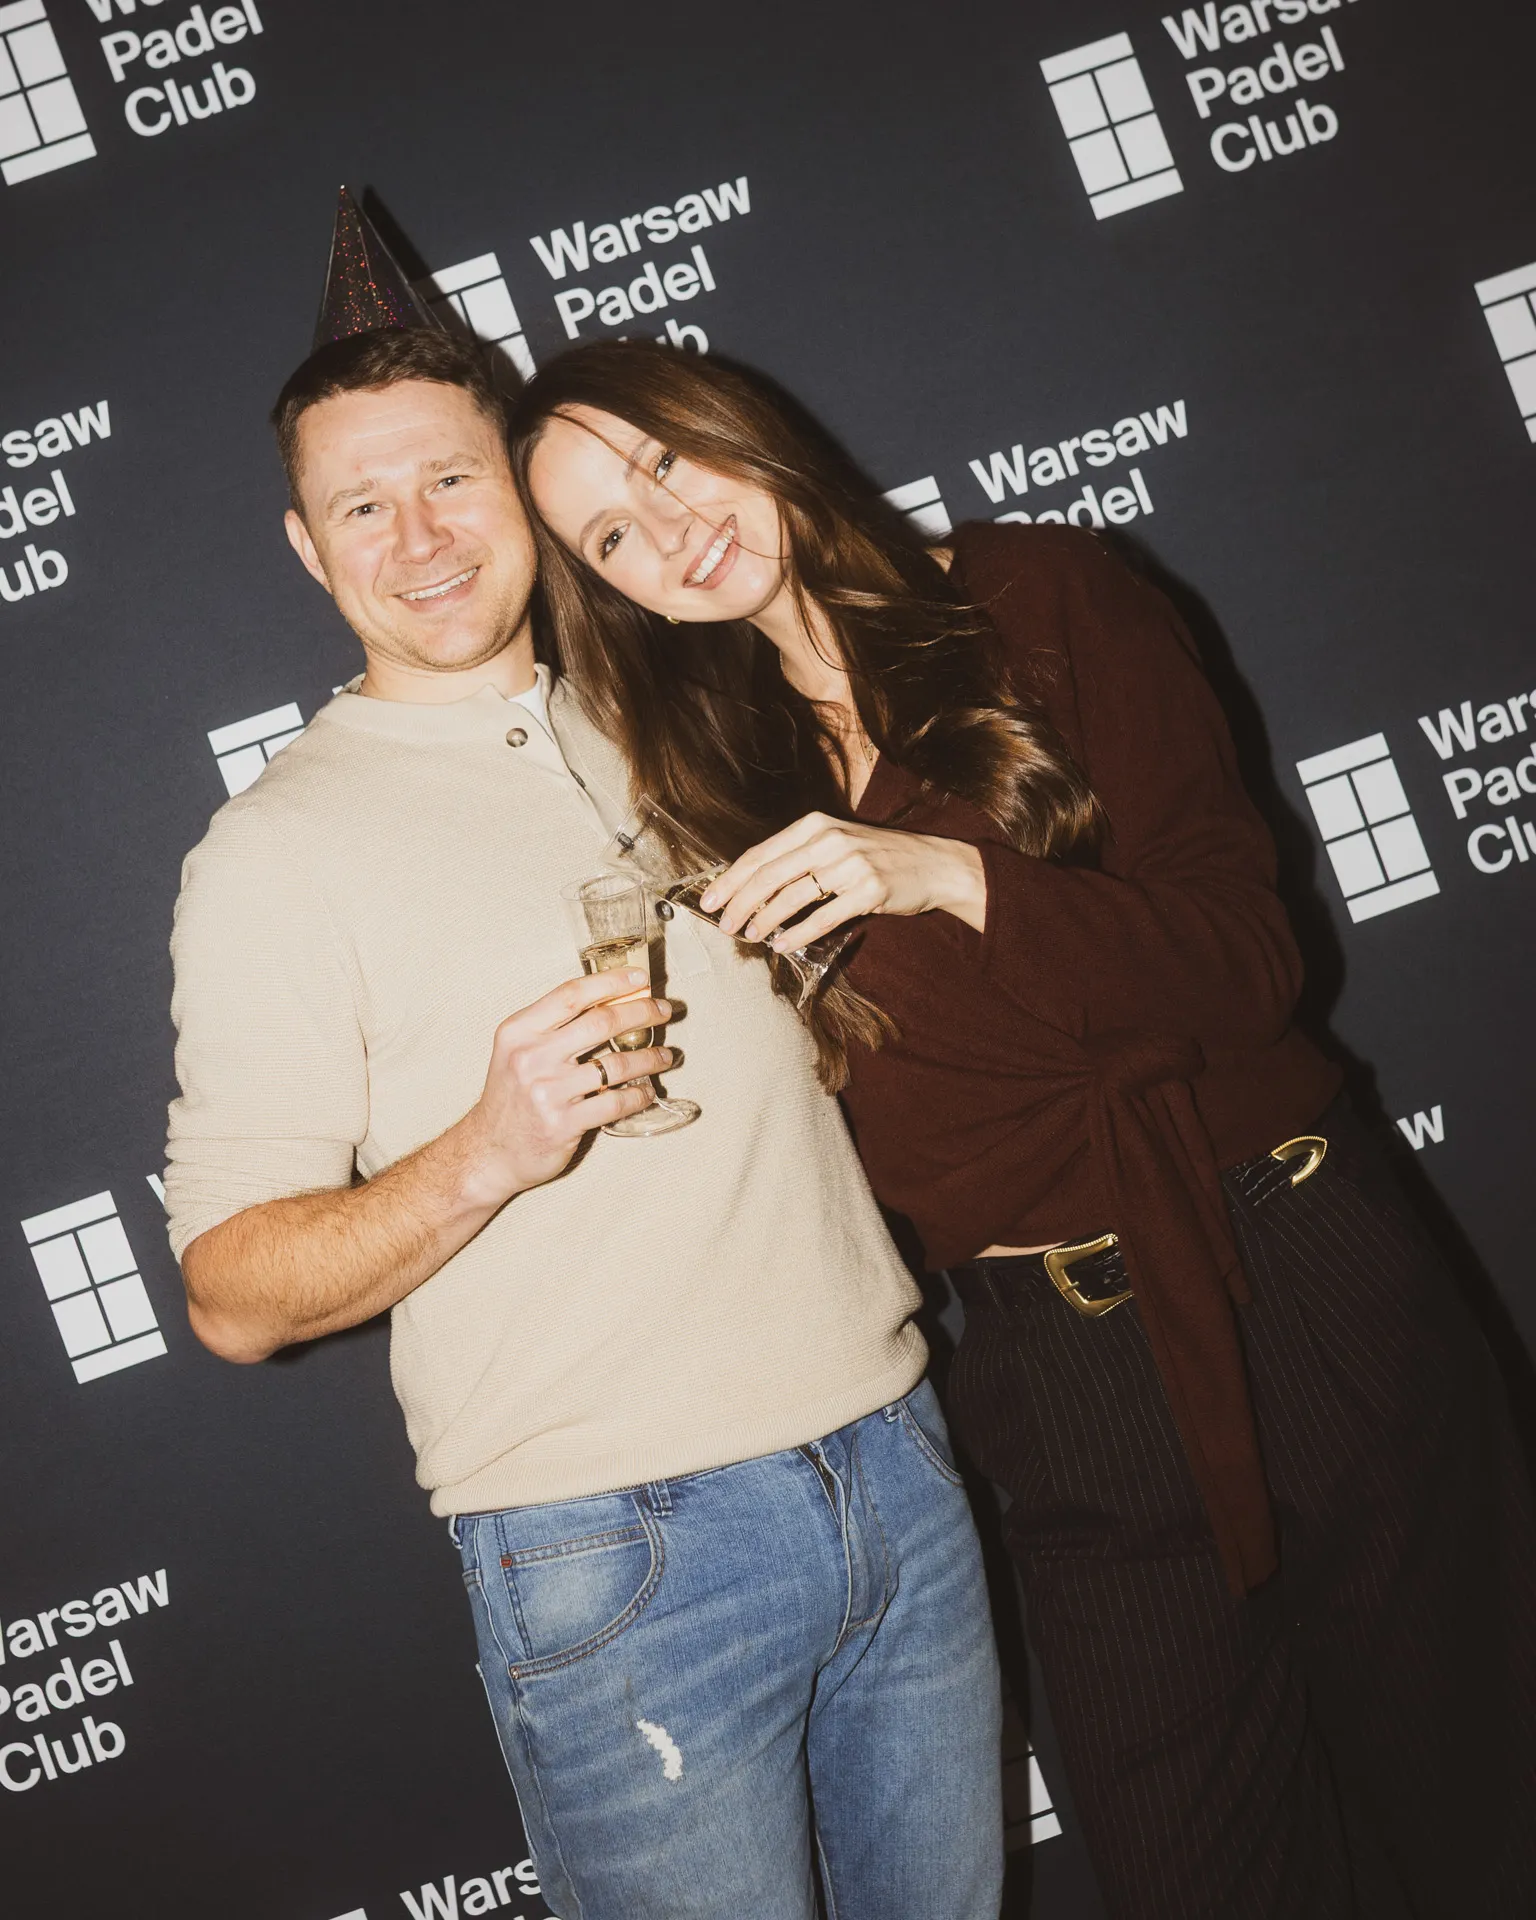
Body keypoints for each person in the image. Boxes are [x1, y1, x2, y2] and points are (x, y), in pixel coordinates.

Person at [511, 337, 1536, 1920]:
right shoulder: (716, 776)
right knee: (1193, 1864)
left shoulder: (1040, 596)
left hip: (1296, 1264)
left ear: (736, 420)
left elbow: (1251, 967)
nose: (673, 526)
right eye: (613, 539)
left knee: (1467, 1821)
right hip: (1057, 1373)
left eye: (663, 460)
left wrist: (957, 878)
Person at [163, 205, 1004, 1920]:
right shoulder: (273, 854)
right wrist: (487, 1144)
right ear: (307, 552)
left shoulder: (698, 710)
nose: (418, 540)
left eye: (453, 482)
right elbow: (236, 1294)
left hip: (899, 1462)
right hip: (618, 1549)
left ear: (529, 497)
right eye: (361, 507)